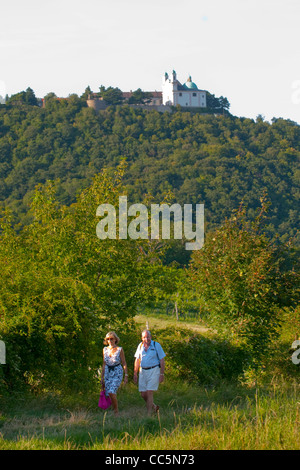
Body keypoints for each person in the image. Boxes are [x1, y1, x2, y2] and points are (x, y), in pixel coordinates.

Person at [133, 329, 166, 415]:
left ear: (151, 337)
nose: (146, 339)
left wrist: (162, 374)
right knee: (143, 394)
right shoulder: (140, 346)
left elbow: (162, 360)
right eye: (144, 337)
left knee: (149, 391)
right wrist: (135, 373)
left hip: (154, 370)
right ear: (141, 338)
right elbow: (137, 360)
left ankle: (148, 414)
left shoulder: (156, 345)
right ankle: (154, 407)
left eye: (148, 337)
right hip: (143, 371)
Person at [101, 331, 128, 416]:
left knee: (112, 391)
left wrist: (126, 375)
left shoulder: (119, 349)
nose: (110, 341)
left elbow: (124, 362)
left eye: (111, 339)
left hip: (117, 371)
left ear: (115, 339)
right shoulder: (105, 349)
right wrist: (102, 377)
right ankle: (112, 408)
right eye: (108, 339)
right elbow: (104, 363)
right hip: (108, 372)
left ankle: (116, 411)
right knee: (108, 392)